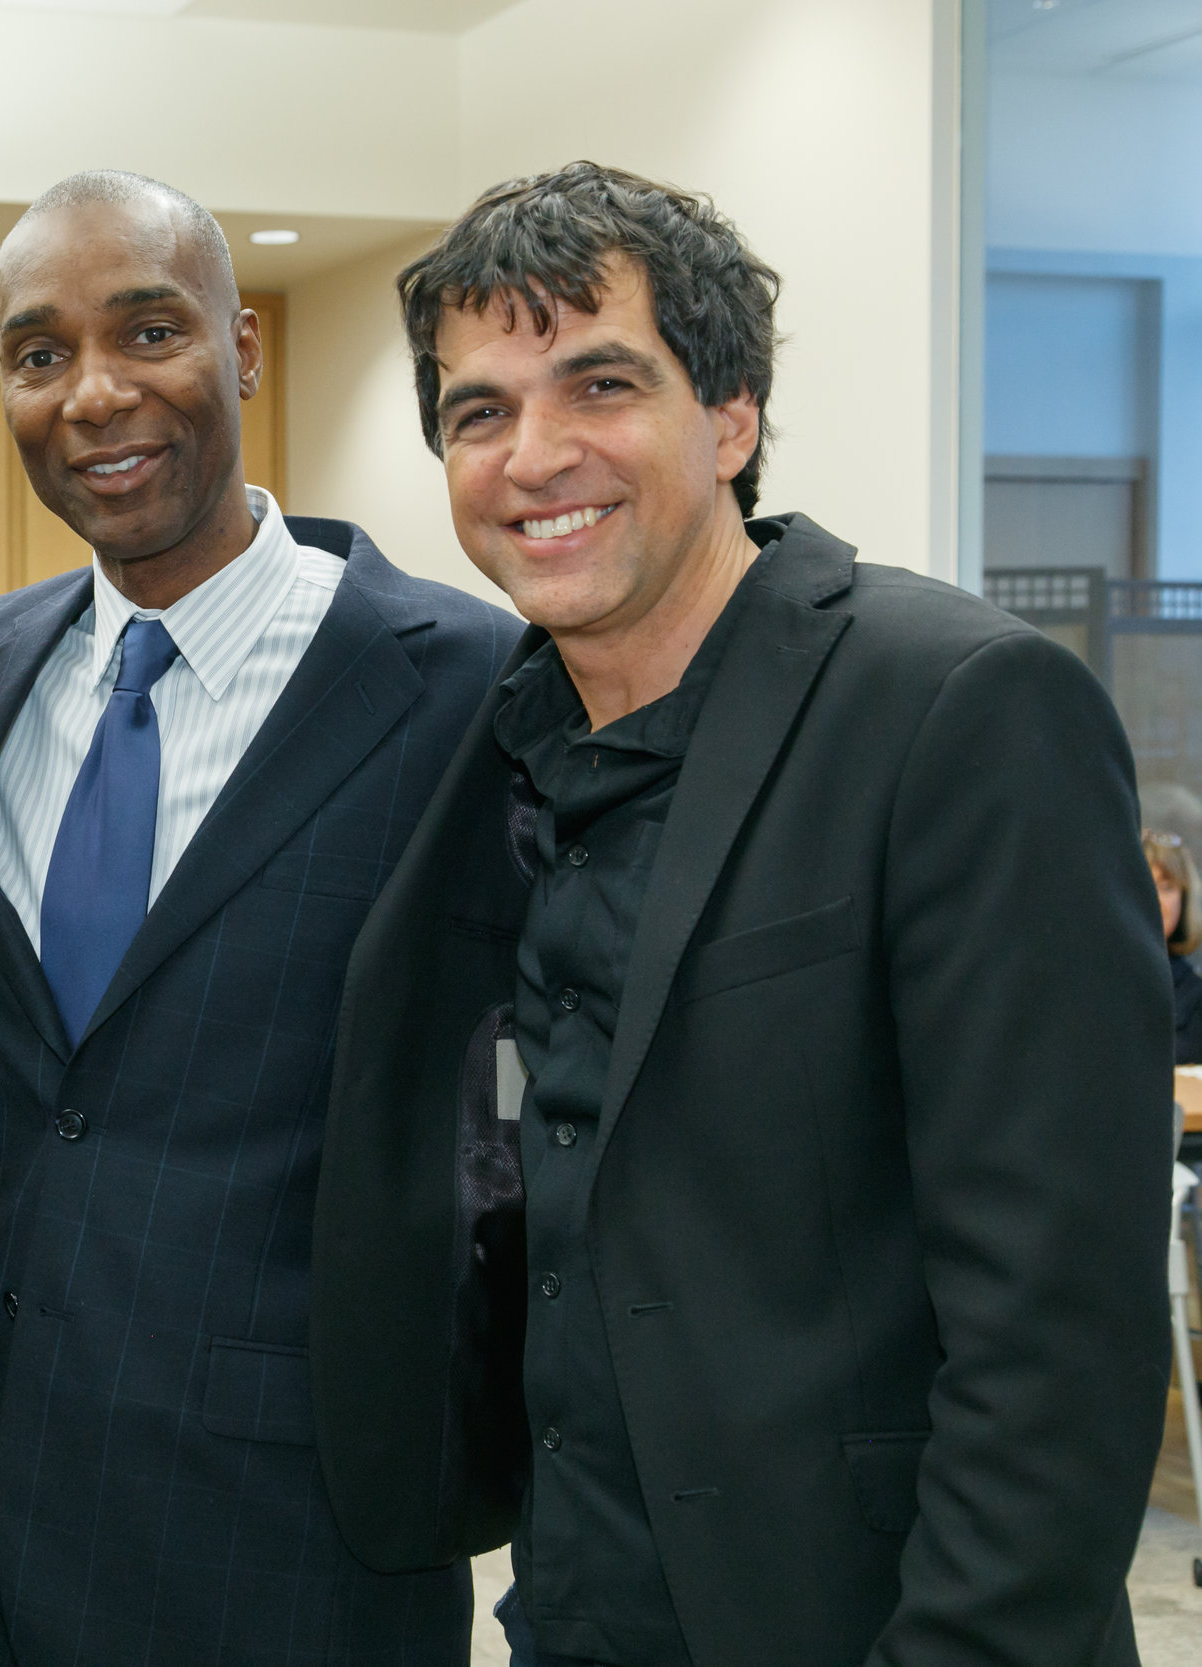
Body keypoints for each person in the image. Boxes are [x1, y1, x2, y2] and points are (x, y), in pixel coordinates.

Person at [311, 161, 1170, 1667]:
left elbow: (1059, 1338)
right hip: (579, 1600)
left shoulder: (956, 710)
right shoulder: (500, 743)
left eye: (599, 383)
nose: (534, 453)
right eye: (478, 410)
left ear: (731, 414)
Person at [0, 171, 519, 1663]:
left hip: (295, 1549)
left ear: (241, 347)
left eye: (149, 330)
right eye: (40, 355)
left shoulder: (468, 689)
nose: (95, 394)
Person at [1149, 828, 1202, 1064]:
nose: (1155, 899)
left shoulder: (1196, 996)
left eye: (1166, 887)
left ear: (1184, 898)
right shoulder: (1093, 981)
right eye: (1145, 884)